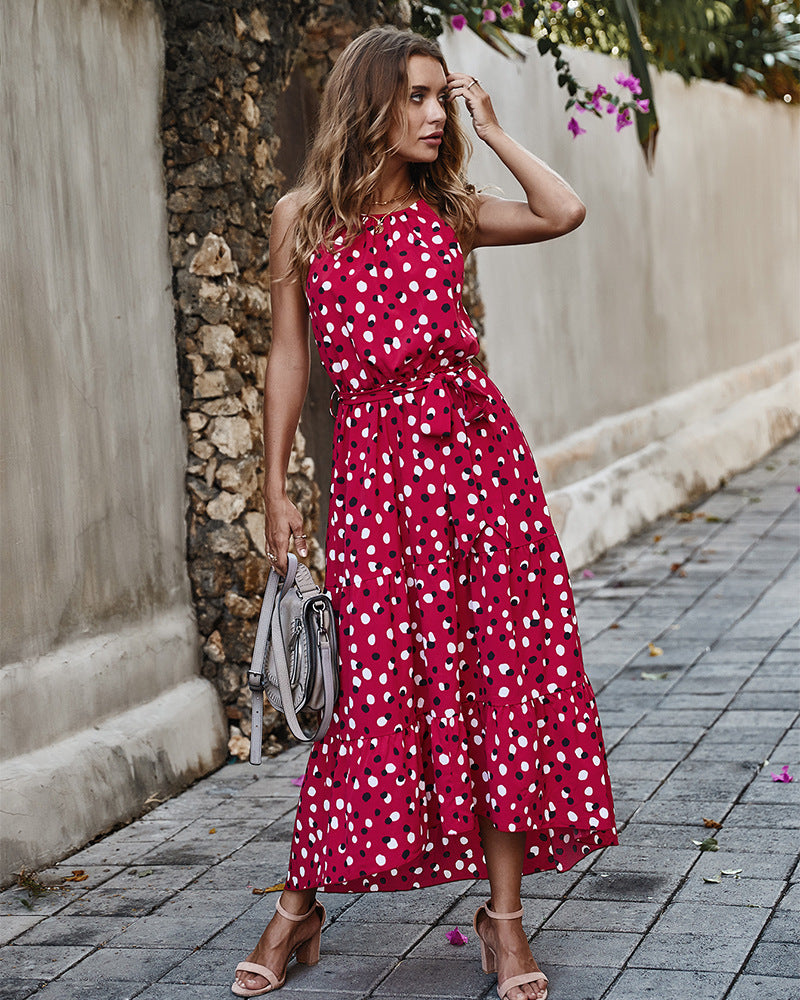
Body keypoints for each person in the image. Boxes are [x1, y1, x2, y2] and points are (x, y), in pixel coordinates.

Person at [232, 25, 617, 1000]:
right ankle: (298, 904)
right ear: (367, 102)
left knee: (493, 689)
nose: (434, 112)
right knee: (368, 700)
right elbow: (289, 357)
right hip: (373, 494)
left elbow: (561, 208)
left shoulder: (447, 211)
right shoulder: (300, 220)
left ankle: (502, 924)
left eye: (439, 98)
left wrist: (490, 128)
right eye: (416, 96)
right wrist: (276, 486)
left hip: (478, 480)